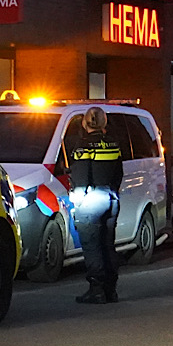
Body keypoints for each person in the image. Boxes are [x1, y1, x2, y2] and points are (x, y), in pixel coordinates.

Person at [66, 106, 124, 304]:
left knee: (92, 247)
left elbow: (80, 177)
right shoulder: (113, 144)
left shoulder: (82, 146)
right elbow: (119, 174)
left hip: (90, 200)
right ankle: (111, 290)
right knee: (108, 245)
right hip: (111, 198)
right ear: (104, 122)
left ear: (84, 122)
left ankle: (96, 289)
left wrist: (78, 201)